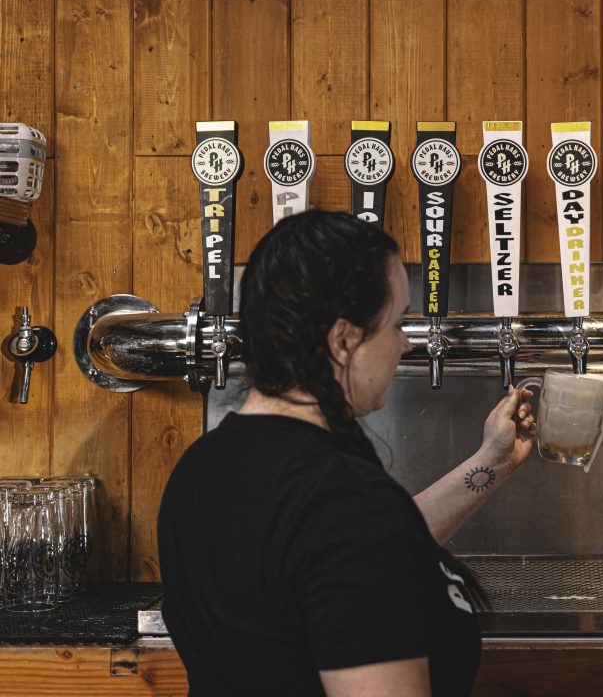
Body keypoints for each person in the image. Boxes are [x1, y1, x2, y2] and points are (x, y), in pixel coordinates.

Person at [157, 210, 535, 697]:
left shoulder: (201, 469)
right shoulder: (343, 507)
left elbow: (340, 555)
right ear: (342, 340)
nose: (403, 345)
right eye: (396, 323)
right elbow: (349, 542)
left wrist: (493, 463)